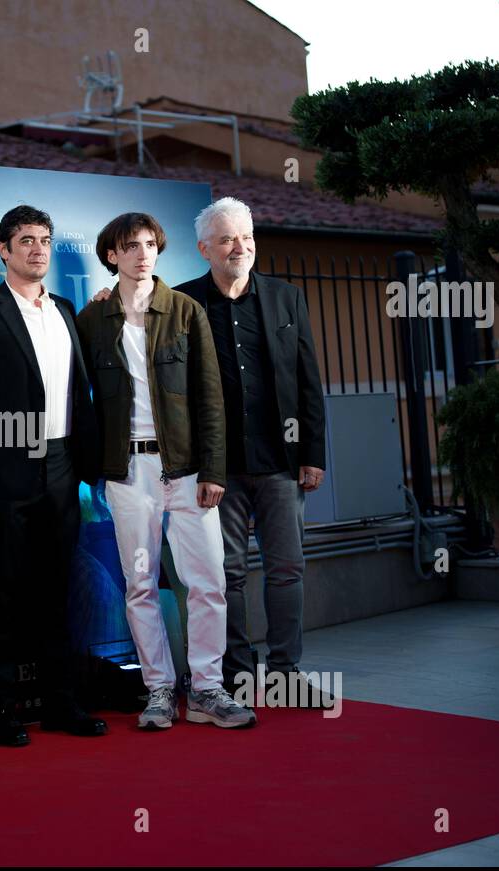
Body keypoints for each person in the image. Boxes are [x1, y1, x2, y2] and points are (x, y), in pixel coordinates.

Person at [76, 212, 254, 730]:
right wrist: (96, 472)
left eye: (151, 244)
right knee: (140, 584)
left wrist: (213, 471)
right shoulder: (93, 320)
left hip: (188, 469)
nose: (143, 254)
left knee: (208, 583)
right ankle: (158, 689)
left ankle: (206, 689)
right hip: (129, 473)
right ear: (113, 255)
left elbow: (211, 399)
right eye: (131, 246)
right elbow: (76, 400)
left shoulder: (185, 311)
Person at [173, 198, 327, 705]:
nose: (240, 247)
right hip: (219, 469)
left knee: (286, 569)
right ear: (204, 249)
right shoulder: (183, 303)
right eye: (227, 239)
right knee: (227, 575)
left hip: (282, 463)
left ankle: (286, 673)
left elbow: (308, 379)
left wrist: (313, 453)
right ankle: (237, 675)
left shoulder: (286, 297)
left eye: (247, 238)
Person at [0, 205, 106, 742]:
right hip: (2, 470)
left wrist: (85, 468)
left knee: (58, 590)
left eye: (44, 240)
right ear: (4, 250)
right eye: (25, 240)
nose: (38, 249)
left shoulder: (67, 310)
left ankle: (60, 704)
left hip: (62, 466)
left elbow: (81, 395)